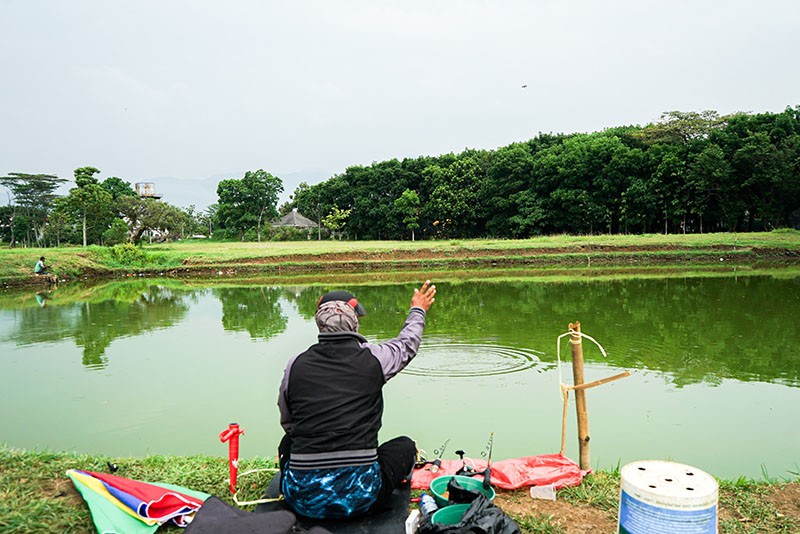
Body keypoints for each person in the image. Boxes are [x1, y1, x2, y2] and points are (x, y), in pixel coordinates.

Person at [277, 281, 436, 519]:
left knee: (287, 443)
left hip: (303, 500)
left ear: (319, 323)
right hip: (361, 497)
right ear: (355, 322)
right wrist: (417, 309)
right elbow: (406, 345)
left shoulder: (295, 364)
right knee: (404, 446)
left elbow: (288, 423)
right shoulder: (375, 359)